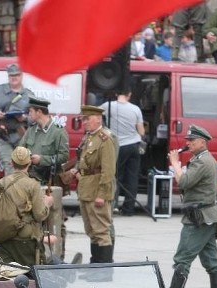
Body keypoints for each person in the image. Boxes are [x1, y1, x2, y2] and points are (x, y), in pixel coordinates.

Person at [167, 125, 217, 288]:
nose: (188, 143)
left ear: (202, 142)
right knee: (211, 258)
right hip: (205, 216)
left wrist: (176, 163)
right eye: (187, 140)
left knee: (182, 258)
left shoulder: (203, 161)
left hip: (199, 218)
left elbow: (184, 181)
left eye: (192, 141)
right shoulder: (200, 159)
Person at [18, 96, 70, 261]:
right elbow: (20, 149)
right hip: (32, 182)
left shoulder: (58, 131)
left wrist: (43, 160)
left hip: (50, 180)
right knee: (35, 219)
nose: (29, 114)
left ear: (39, 112)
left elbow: (64, 156)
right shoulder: (31, 131)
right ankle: (39, 257)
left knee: (55, 221)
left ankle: (58, 257)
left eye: (31, 111)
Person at [69, 105, 117, 264]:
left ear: (98, 119)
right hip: (86, 189)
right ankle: (95, 265)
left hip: (97, 191)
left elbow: (108, 170)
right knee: (91, 230)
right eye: (83, 119)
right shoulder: (90, 137)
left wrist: (102, 195)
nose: (84, 122)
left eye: (87, 119)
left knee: (101, 231)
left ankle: (102, 270)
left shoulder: (105, 138)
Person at [0, 147, 53, 266]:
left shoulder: (1, 183)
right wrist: (47, 203)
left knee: (8, 276)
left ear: (11, 162)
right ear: (29, 162)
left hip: (5, 236)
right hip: (26, 238)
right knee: (32, 277)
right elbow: (39, 215)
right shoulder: (33, 185)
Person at [101, 89, 145, 216]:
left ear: (115, 94)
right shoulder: (136, 109)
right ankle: (128, 208)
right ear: (129, 95)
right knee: (132, 177)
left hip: (117, 146)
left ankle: (112, 205)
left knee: (115, 176)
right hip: (134, 145)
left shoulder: (107, 106)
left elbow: (94, 114)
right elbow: (141, 132)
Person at [0, 63, 34, 174]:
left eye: (16, 75)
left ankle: (19, 190)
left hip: (20, 136)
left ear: (21, 76)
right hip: (2, 135)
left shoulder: (28, 95)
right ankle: (11, 190)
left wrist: (25, 118)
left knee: (23, 167)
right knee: (9, 164)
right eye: (11, 76)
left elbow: (35, 117)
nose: (14, 78)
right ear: (8, 76)